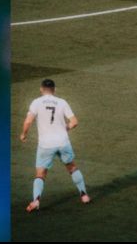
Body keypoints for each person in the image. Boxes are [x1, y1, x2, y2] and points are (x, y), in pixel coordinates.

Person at [20, 79, 90, 212]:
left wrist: (23, 134)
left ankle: (36, 201)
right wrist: (65, 129)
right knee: (72, 167)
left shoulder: (36, 102)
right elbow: (74, 122)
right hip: (63, 142)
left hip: (46, 145)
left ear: (41, 89)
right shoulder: (62, 102)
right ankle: (84, 195)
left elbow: (28, 121)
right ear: (54, 89)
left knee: (41, 173)